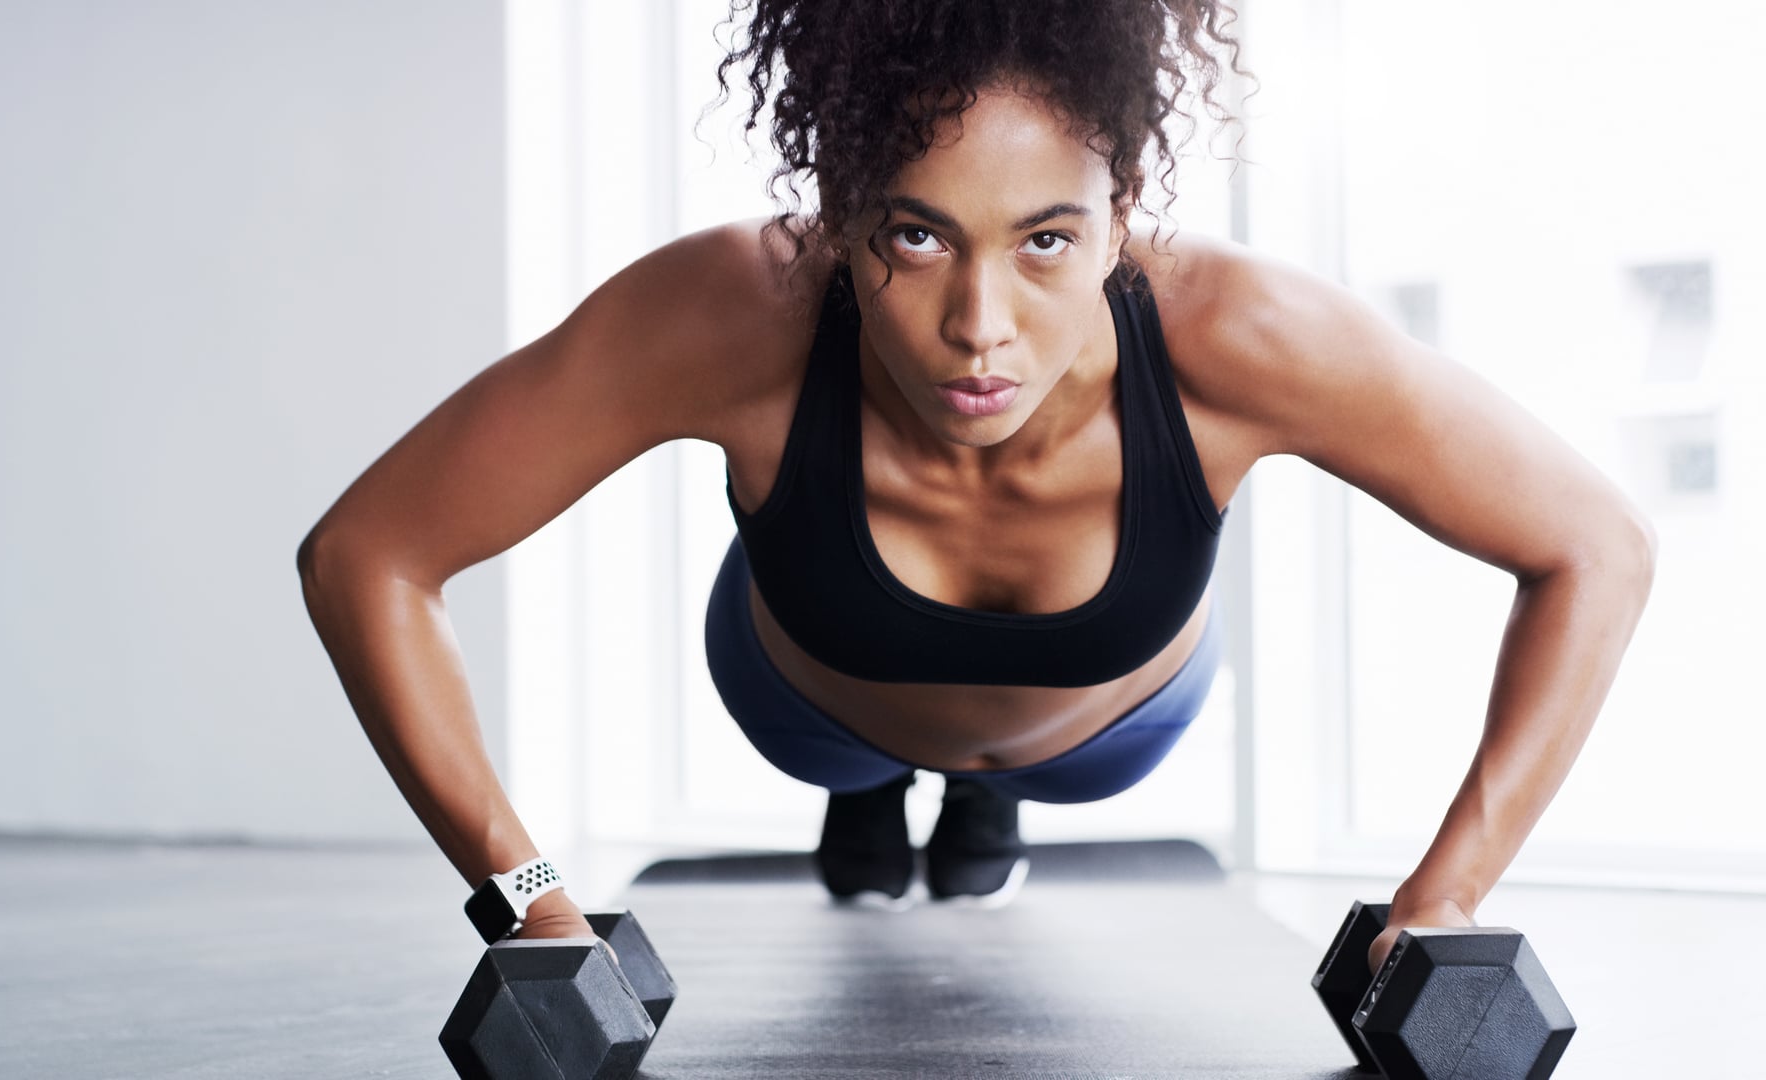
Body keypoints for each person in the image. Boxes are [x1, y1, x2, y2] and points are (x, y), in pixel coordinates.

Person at [298, 0, 1655, 981]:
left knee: (1058, 754)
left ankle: (981, 795)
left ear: (1125, 208)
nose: (980, 327)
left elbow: (1594, 544)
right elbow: (368, 553)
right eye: (914, 233)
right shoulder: (729, 311)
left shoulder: (1244, 336)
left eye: (1048, 241)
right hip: (806, 693)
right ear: (834, 208)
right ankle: (880, 782)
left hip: (1113, 727)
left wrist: (1448, 901)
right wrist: (530, 902)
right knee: (845, 751)